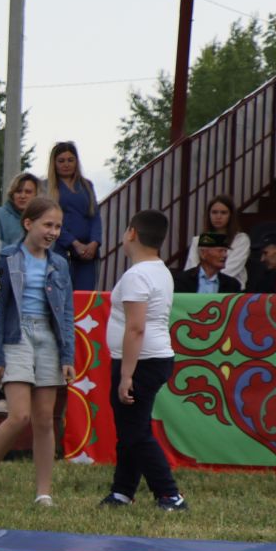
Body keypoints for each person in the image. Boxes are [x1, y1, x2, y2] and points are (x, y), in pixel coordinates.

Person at [0, 197, 75, 506]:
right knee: (19, 415)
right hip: (17, 336)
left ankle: (43, 492)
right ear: (28, 224)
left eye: (58, 226)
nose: (53, 232)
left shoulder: (59, 263)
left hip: (49, 339)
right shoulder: (7, 258)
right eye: (47, 225)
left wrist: (68, 356)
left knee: (43, 419)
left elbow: (66, 312)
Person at [99, 210, 187, 511]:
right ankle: (122, 491)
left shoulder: (137, 276)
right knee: (130, 429)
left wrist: (126, 375)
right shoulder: (159, 269)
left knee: (136, 433)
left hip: (141, 362)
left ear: (132, 233)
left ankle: (169, 494)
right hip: (152, 359)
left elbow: (135, 328)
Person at [48, 141, 101, 290]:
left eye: (70, 160)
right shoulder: (48, 187)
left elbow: (95, 217)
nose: (66, 164)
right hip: (61, 249)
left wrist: (94, 242)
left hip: (88, 253)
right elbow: (50, 221)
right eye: (61, 161)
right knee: (62, 293)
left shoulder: (86, 185)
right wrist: (74, 243)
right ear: (54, 163)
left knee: (85, 296)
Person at [183, 195, 252, 282]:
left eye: (223, 213)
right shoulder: (198, 240)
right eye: (214, 212)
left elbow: (231, 269)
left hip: (229, 289)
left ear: (231, 215)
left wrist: (209, 281)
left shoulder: (241, 239)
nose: (218, 217)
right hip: (199, 288)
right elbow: (191, 268)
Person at [173, 232, 242, 294]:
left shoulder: (232, 285)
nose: (225, 255)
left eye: (225, 251)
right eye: (220, 251)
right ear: (203, 253)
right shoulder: (182, 281)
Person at [0, 172, 41, 249]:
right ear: (12, 194)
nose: (22, 196)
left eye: (28, 192)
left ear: (36, 195)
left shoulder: (42, 217)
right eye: (18, 191)